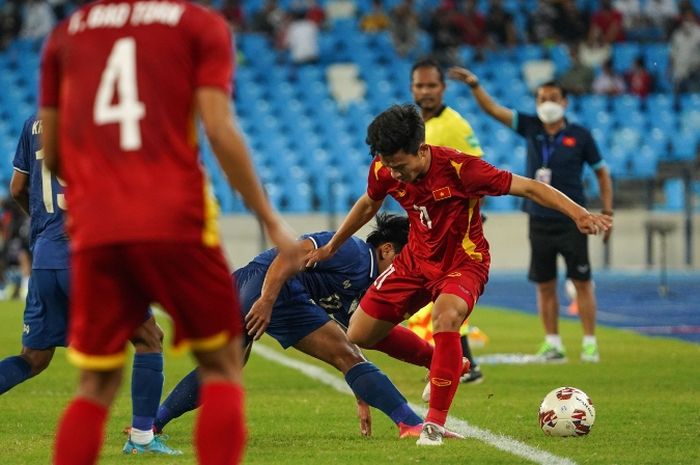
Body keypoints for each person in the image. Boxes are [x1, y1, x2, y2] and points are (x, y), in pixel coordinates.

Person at [39, 2, 299, 465]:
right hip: (175, 220)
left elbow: (54, 154)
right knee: (221, 364)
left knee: (95, 384)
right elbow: (218, 128)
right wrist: (269, 218)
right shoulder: (199, 25)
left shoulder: (66, 33)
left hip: (99, 229)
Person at [305, 103, 612, 446]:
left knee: (445, 315)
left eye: (400, 166)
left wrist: (578, 213)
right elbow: (368, 203)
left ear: (421, 149)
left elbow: (528, 187)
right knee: (359, 332)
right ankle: (446, 363)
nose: (394, 174)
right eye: (388, 166)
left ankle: (434, 425)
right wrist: (332, 246)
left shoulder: (462, 169)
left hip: (463, 262)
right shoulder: (383, 167)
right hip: (415, 261)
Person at [153, 214, 464, 440]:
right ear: (386, 249)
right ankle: (409, 423)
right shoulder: (354, 252)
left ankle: (153, 423)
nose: (410, 267)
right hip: (271, 284)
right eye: (407, 257)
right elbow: (291, 253)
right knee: (347, 356)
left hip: (248, 284)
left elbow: (371, 337)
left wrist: (364, 391)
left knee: (227, 365)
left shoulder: (368, 285)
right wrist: (266, 300)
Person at [0, 115, 177, 455]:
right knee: (148, 338)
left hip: (45, 258)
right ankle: (141, 438)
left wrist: (42, 227)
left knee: (33, 358)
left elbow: (17, 189)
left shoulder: (33, 123)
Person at [450, 67, 614, 364]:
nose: (546, 103)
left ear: (565, 102)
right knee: (545, 283)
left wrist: (607, 210)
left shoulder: (580, 135)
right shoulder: (530, 126)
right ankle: (553, 344)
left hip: (572, 219)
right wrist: (475, 85)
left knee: (581, 280)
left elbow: (602, 172)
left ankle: (590, 343)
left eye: (552, 97)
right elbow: (493, 110)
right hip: (538, 218)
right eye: (541, 98)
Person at [408, 58, 484, 384]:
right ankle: (457, 363)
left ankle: (459, 364)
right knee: (431, 301)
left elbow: (478, 173)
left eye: (431, 86)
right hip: (424, 226)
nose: (425, 92)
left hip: (451, 229)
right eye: (419, 85)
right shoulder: (412, 125)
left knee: (443, 299)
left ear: (443, 88)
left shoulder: (454, 124)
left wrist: (462, 218)